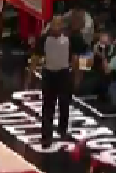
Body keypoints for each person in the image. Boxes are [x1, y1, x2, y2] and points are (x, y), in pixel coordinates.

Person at [34, 16, 86, 149]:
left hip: (64, 74)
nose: (56, 28)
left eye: (58, 25)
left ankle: (63, 131)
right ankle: (46, 136)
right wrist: (30, 74)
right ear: (51, 26)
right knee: (48, 106)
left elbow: (75, 58)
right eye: (54, 25)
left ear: (62, 26)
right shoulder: (44, 39)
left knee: (64, 104)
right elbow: (36, 56)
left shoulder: (70, 38)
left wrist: (77, 76)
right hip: (49, 74)